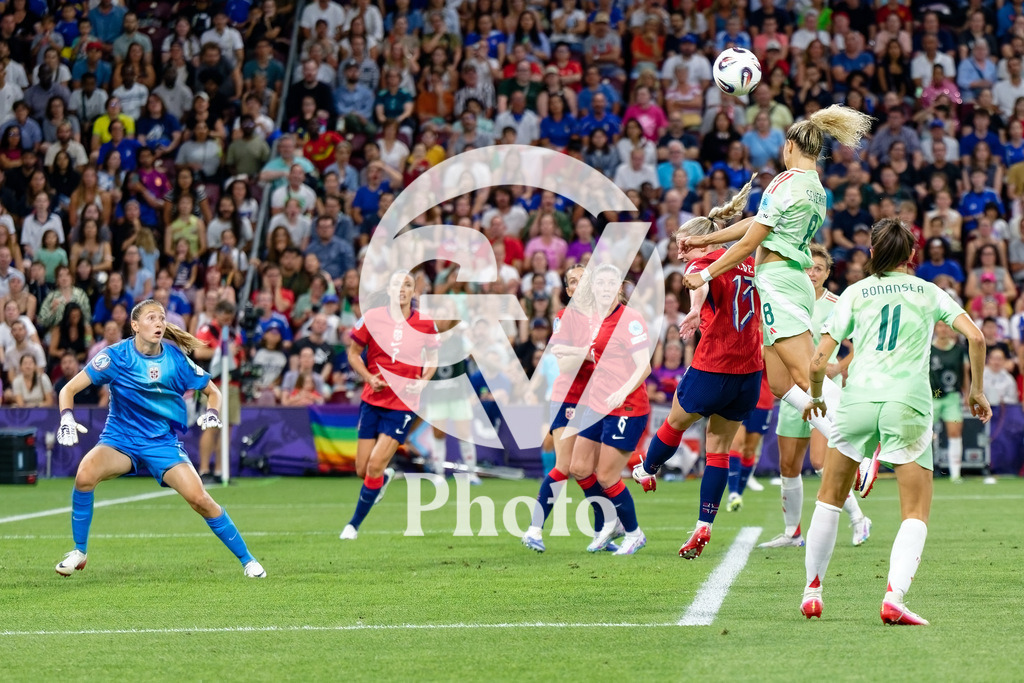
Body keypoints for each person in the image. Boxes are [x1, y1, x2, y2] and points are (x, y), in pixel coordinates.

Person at [799, 219, 991, 625]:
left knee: (829, 498)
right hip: (908, 403)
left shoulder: (854, 292)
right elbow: (976, 337)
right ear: (911, 256)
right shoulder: (929, 291)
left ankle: (812, 592)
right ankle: (894, 598)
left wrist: (816, 397)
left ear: (872, 255)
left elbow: (818, 361)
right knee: (915, 511)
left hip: (857, 400)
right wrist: (976, 391)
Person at [682, 105, 874, 461]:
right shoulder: (815, 187)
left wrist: (705, 274)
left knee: (804, 375)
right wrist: (704, 240)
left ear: (789, 146)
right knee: (783, 384)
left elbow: (749, 244)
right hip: (789, 280)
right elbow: (757, 222)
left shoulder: (785, 181)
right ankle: (850, 447)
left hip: (779, 281)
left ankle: (863, 440)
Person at [54, 299, 266, 579]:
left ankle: (248, 561)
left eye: (162, 318)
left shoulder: (176, 359)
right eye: (151, 318)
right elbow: (68, 389)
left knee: (200, 499)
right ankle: (79, 552)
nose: (158, 323)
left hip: (161, 444)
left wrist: (213, 413)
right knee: (84, 475)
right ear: (135, 326)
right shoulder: (115, 356)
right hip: (120, 440)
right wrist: (67, 418)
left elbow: (213, 391)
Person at [632, 187, 763, 559]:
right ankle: (704, 524)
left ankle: (648, 468)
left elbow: (698, 282)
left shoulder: (702, 263)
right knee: (719, 450)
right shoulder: (749, 261)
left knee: (674, 422)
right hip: (750, 372)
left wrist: (693, 308)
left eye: (682, 245)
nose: (679, 253)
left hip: (714, 366)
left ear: (698, 241)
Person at [760, 244, 871, 548]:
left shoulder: (836, 304)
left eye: (818, 268)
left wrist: (837, 366)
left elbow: (860, 341)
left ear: (827, 273)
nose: (811, 273)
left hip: (821, 390)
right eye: (807, 267)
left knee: (821, 461)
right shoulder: (786, 298)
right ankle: (792, 532)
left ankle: (859, 518)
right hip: (791, 389)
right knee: (788, 467)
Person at [340, 271, 438, 541]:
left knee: (373, 465)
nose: (403, 289)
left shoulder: (425, 323)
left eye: (408, 284)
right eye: (398, 284)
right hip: (372, 399)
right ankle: (381, 480)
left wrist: (423, 381)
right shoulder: (371, 317)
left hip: (404, 403)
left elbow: (432, 358)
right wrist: (369, 377)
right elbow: (352, 353)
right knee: (363, 470)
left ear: (413, 291)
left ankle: (353, 525)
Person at [566, 263, 651, 556]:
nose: (603, 288)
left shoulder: (630, 319)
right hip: (595, 404)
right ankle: (608, 523)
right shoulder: (594, 320)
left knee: (606, 476)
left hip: (626, 405)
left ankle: (634, 532)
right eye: (598, 283)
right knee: (578, 468)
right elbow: (595, 354)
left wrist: (621, 390)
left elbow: (645, 365)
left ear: (619, 287)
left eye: (609, 283)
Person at [522, 265, 594, 552]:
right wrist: (593, 353)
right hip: (570, 397)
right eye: (573, 281)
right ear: (568, 291)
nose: (579, 284)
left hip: (597, 398)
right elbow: (565, 364)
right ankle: (534, 529)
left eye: (584, 279)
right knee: (564, 466)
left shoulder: (608, 317)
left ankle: (606, 529)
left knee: (591, 470)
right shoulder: (565, 318)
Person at [930, 321, 969, 483]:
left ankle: (955, 474)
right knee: (923, 435)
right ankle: (924, 471)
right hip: (931, 396)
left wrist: (967, 393)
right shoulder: (927, 348)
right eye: (940, 326)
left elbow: (965, 372)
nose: (943, 329)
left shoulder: (959, 350)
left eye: (946, 326)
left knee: (954, 432)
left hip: (952, 396)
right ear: (935, 329)